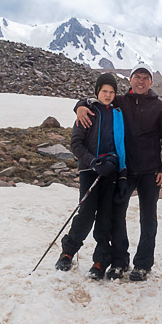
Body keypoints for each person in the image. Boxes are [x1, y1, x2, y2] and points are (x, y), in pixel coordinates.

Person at [75, 63, 162, 281]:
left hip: (150, 171)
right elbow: (97, 100)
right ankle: (120, 261)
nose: (140, 81)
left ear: (151, 82)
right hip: (124, 170)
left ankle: (143, 264)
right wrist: (80, 106)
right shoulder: (120, 101)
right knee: (117, 216)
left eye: (145, 78)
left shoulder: (160, 107)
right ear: (130, 80)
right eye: (137, 77)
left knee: (148, 218)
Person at [55, 72, 127, 280]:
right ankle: (67, 252)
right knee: (86, 213)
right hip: (90, 171)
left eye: (112, 92)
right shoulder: (87, 112)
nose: (108, 95)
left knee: (106, 217)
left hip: (111, 171)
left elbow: (120, 146)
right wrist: (92, 161)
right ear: (97, 92)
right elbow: (76, 144)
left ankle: (100, 261)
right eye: (104, 91)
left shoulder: (117, 114)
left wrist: (120, 172)